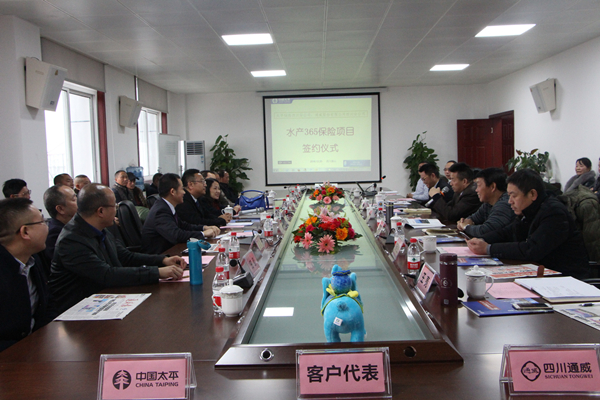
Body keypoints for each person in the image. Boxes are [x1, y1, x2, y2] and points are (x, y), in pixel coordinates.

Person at [49, 184, 185, 314]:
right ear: (101, 211)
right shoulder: (71, 240)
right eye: (114, 206)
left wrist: (163, 260)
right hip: (79, 311)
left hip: (105, 298)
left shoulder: (100, 228)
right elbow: (106, 275)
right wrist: (157, 272)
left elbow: (125, 256)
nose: (116, 210)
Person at [467, 169, 590, 280]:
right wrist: (482, 239)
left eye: (514, 196)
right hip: (541, 273)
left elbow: (531, 249)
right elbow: (508, 232)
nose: (510, 201)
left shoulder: (554, 212)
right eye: (509, 196)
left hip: (566, 279)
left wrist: (488, 249)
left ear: (532, 194)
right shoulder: (529, 210)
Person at [0, 198, 54, 351]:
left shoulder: (33, 258)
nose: (47, 226)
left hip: (36, 347)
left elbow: (48, 304)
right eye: (42, 222)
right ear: (25, 232)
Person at [141, 173, 220, 254]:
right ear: (172, 192)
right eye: (182, 189)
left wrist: (204, 227)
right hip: (161, 256)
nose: (184, 192)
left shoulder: (166, 206)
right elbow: (176, 235)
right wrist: (203, 234)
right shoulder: (160, 211)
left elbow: (184, 225)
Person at [457, 168, 514, 237]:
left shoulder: (505, 204)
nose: (476, 190)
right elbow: (472, 219)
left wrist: (466, 227)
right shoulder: (488, 204)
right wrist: (464, 222)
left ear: (492, 187)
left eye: (478, 185)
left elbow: (485, 231)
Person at [43, 185, 78, 262]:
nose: (79, 202)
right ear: (60, 209)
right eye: (74, 199)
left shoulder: (71, 226)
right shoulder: (56, 233)